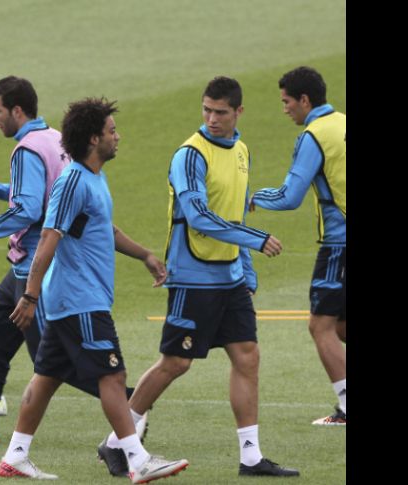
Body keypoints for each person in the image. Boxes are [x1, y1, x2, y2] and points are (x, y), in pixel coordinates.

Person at [97, 76, 299, 478]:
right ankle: (116, 439)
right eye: (207, 109)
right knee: (176, 363)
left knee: (247, 356)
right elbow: (198, 217)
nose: (211, 118)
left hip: (230, 278)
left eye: (220, 112)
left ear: (238, 112)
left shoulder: (241, 151)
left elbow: (236, 211)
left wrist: (247, 269)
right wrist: (256, 240)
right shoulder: (189, 155)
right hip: (192, 278)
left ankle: (251, 457)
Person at [0, 77, 136, 445]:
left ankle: (134, 405)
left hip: (37, 271)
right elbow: (46, 192)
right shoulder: (55, 139)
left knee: (57, 364)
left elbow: (29, 209)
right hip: (23, 270)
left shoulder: (26, 148)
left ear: (16, 110)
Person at [0, 97, 189, 483]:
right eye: (111, 131)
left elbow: (105, 229)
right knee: (113, 377)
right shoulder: (72, 181)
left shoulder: (92, 178)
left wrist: (145, 256)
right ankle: (137, 459)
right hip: (78, 299)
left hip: (76, 298)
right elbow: (49, 237)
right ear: (92, 139)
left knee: (47, 376)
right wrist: (30, 295)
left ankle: (15, 456)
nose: (118, 137)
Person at [250, 66, 346, 426]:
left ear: (305, 100)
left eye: (287, 101)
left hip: (340, 243)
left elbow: (290, 197)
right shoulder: (342, 122)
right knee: (340, 328)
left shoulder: (314, 135)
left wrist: (252, 198)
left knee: (320, 326)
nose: (284, 108)